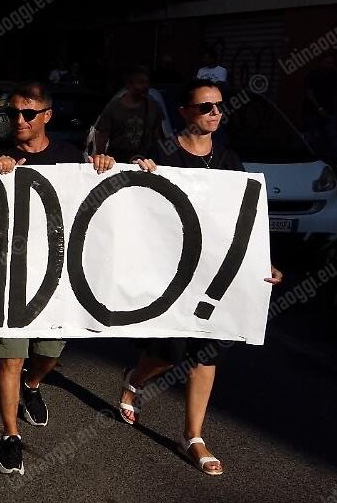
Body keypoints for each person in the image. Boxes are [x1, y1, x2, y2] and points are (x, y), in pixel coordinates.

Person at [120, 80, 283, 476]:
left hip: (215, 273)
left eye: (219, 107)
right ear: (184, 111)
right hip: (172, 272)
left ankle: (193, 436)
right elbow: (135, 204)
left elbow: (243, 220)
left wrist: (263, 262)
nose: (214, 113)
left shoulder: (229, 158)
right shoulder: (162, 153)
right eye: (204, 107)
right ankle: (134, 380)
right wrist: (143, 173)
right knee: (166, 352)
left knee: (206, 352)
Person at [0, 81, 116, 476]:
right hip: (7, 275)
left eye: (27, 113)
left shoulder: (70, 157)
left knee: (50, 353)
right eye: (12, 114)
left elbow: (94, 206)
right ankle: (10, 435)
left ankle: (34, 385)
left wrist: (104, 168)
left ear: (47, 116)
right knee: (11, 357)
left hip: (55, 277)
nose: (18, 121)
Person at [93, 66, 168, 163]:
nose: (145, 86)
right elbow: (102, 136)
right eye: (141, 82)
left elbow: (158, 136)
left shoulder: (154, 107)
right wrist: (101, 158)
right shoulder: (114, 107)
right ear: (129, 84)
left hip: (144, 163)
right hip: (117, 163)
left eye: (147, 82)